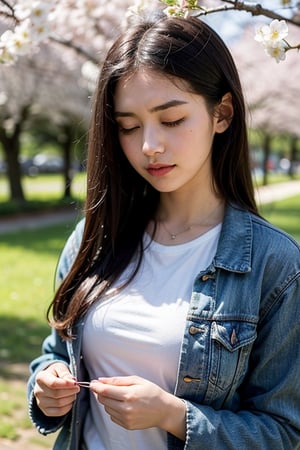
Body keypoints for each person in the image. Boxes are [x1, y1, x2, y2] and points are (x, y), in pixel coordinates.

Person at [27, 11, 300, 450]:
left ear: (222, 113)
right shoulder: (93, 238)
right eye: (129, 127)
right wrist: (47, 388)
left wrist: (175, 416)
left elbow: (284, 433)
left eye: (171, 120)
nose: (149, 145)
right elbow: (57, 353)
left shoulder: (275, 266)